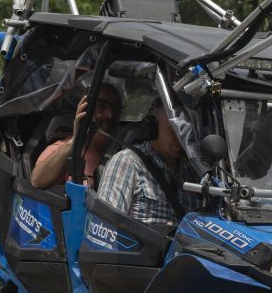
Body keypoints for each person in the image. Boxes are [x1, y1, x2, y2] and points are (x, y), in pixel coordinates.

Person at [97, 98, 198, 227]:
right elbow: (104, 225)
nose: (180, 137)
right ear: (152, 128)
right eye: (173, 130)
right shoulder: (127, 163)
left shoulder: (194, 172)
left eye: (184, 131)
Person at [30, 82, 122, 189]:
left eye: (115, 109)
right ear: (85, 108)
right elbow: (38, 181)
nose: (110, 115)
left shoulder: (123, 152)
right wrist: (74, 141)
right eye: (102, 106)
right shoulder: (64, 149)